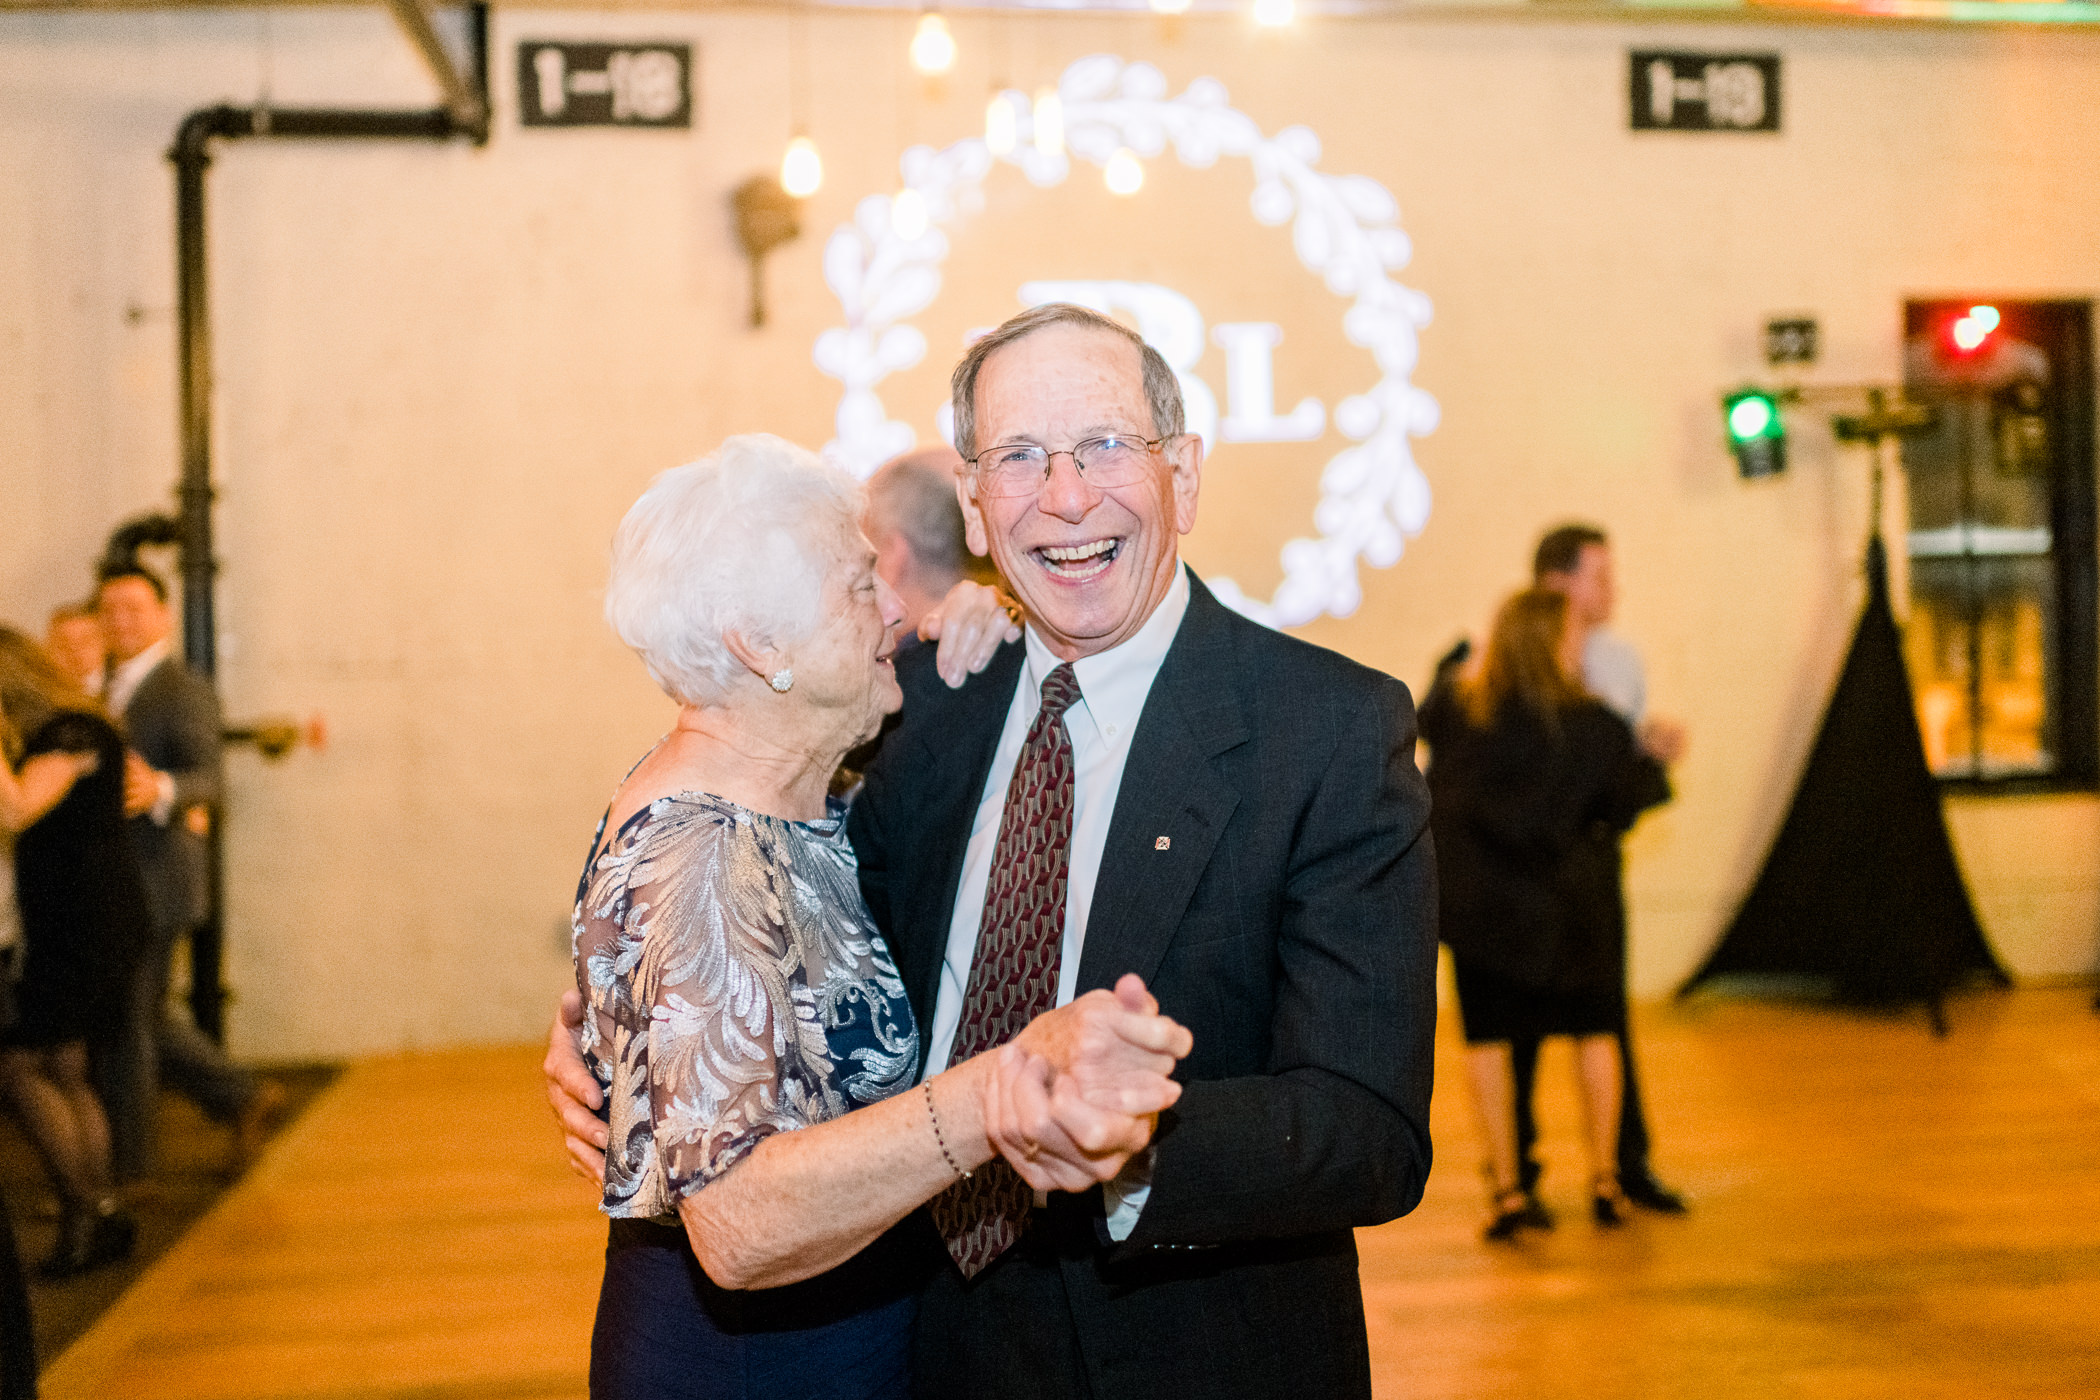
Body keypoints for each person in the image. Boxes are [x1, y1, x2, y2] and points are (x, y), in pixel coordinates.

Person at [549, 302, 1439, 1399]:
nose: (1067, 496)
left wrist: (1124, 1138)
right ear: (974, 502)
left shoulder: (1329, 730)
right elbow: (780, 923)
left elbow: (1371, 1128)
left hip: (1196, 1353)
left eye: (1107, 444)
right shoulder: (920, 706)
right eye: (1020, 456)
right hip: (923, 1343)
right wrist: (618, 1021)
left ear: (1184, 476)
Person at [575, 434, 1191, 1399]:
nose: (899, 606)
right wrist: (1003, 1090)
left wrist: (987, 618)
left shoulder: (794, 796)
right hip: (755, 1361)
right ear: (758, 643)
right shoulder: (698, 854)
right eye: (862, 588)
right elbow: (737, 1226)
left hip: (843, 1328)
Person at [1420, 589, 1671, 1241]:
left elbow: (1423, 740)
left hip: (1485, 916)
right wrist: (1655, 759)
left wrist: (1457, 664)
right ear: (1556, 643)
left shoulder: (1462, 719)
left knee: (1490, 1043)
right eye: (1574, 636)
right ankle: (1605, 1180)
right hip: (1572, 911)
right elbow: (1623, 803)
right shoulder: (1596, 726)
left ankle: (1506, 1189)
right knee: (1595, 1034)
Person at [93, 567, 283, 1180]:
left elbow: (211, 781)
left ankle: (131, 1171)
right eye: (109, 610)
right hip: (122, 878)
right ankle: (241, 1096)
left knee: (130, 1022)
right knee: (140, 1014)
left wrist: (159, 787)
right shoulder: (106, 685)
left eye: (133, 608)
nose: (120, 621)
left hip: (158, 878)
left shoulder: (181, 688)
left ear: (164, 615)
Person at [1526, 524, 1689, 1215]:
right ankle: (1518, 1176)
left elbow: (1608, 768)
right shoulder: (1501, 661)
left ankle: (1624, 1165)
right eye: (1599, 574)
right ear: (1557, 583)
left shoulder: (1620, 661)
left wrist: (1648, 753)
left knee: (1606, 1020)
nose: (1611, 589)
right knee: (1519, 1028)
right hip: (1525, 872)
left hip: (1591, 868)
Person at [0, 627, 148, 1277]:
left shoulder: (71, 735)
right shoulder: (81, 727)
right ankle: (101, 1214)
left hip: (80, 925)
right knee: (65, 1068)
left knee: (20, 1069)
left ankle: (83, 1216)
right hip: (87, 920)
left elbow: (16, 810)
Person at [43, 605, 105, 701]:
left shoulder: (123, 694)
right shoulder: (42, 695)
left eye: (85, 641)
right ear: (49, 649)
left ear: (103, 644)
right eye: (64, 644)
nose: (75, 651)